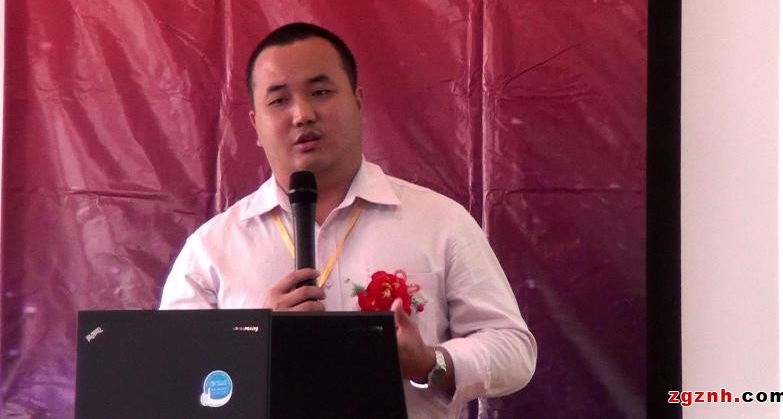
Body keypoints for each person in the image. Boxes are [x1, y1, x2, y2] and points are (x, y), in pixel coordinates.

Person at [160, 22, 536, 418]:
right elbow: (173, 380)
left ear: (358, 102)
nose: (302, 114)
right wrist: (253, 347)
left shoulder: (439, 222)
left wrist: (430, 362)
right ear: (255, 125)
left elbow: (514, 349)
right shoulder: (213, 248)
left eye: (321, 92)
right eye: (279, 100)